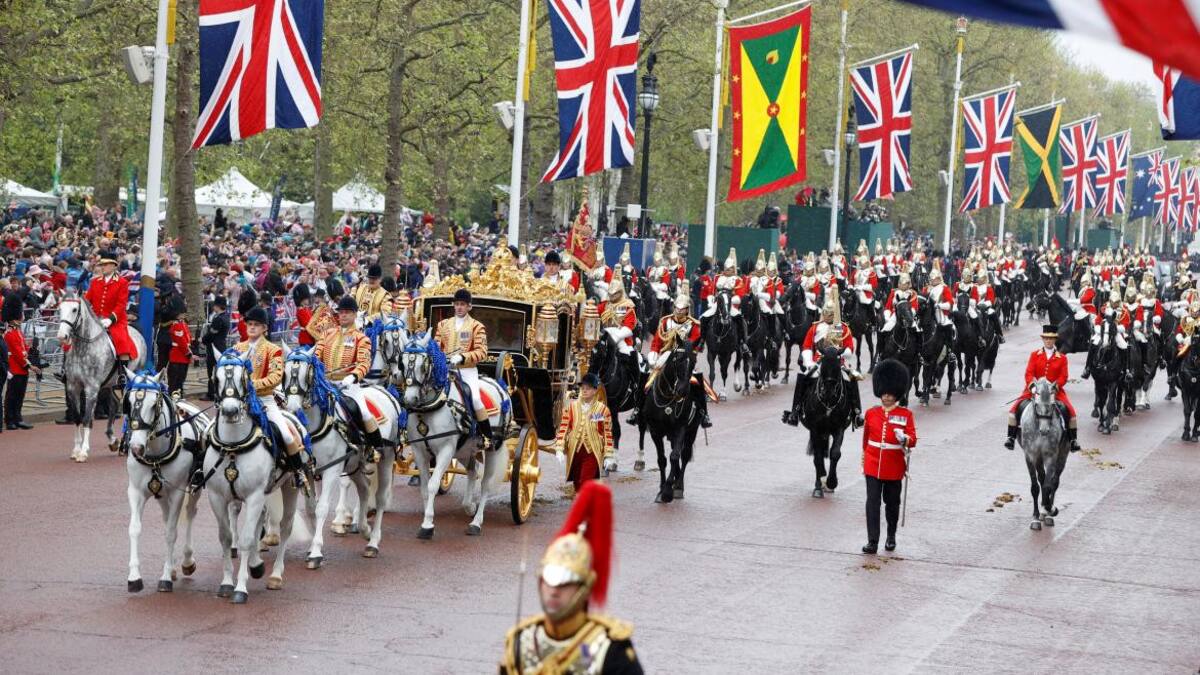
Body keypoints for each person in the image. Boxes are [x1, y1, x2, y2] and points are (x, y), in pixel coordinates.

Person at [500, 481, 643, 674]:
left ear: (584, 588)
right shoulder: (521, 643)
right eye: (548, 580)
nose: (554, 591)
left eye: (565, 584)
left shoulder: (610, 650)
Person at [206, 307, 311, 493]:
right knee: (208, 431)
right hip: (240, 402)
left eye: (256, 325)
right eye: (250, 324)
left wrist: (250, 385)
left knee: (286, 435)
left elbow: (276, 376)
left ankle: (297, 472)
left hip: (265, 401)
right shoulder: (237, 349)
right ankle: (201, 469)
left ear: (265, 328)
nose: (252, 328)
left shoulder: (274, 350)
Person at [314, 296, 387, 450]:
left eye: (347, 312)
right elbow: (316, 355)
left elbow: (364, 363)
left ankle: (374, 448)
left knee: (365, 414)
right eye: (341, 312)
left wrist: (353, 376)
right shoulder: (327, 334)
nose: (343, 315)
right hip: (326, 384)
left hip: (349, 386)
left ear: (354, 315)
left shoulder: (361, 338)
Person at [784, 285, 862, 427]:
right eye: (825, 313)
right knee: (803, 376)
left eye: (830, 314)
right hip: (818, 362)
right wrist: (809, 362)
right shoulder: (815, 327)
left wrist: (843, 353)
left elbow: (850, 347)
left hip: (838, 361)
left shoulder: (843, 328)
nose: (827, 316)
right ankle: (795, 411)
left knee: (851, 378)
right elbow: (807, 346)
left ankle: (857, 412)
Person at [862, 359, 916, 554]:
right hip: (872, 463)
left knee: (892, 503)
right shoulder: (871, 413)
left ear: (896, 394)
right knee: (872, 502)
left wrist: (905, 438)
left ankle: (891, 536)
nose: (886, 397)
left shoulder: (906, 414)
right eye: (884, 393)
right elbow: (866, 439)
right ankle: (872, 541)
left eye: (890, 393)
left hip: (893, 465)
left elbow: (913, 439)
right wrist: (865, 459)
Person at [1005, 324, 1081, 453]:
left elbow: (1064, 376)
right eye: (1046, 338)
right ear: (1043, 339)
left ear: (1055, 340)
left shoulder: (1062, 358)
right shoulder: (1035, 355)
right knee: (1013, 410)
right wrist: (1033, 387)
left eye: (1051, 339)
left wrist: (1055, 387)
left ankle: (1073, 440)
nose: (1048, 341)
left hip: (1054, 392)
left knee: (1071, 412)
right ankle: (1011, 438)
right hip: (1034, 391)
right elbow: (1029, 373)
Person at [434, 289, 494, 448]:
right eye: (457, 304)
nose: (459, 307)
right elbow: (435, 347)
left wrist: (462, 358)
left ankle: (487, 437)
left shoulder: (476, 326)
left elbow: (482, 352)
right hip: (445, 371)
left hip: (467, 371)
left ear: (469, 307)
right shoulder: (442, 325)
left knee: (475, 399)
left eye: (463, 305)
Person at [647, 281, 712, 428]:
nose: (678, 311)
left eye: (682, 309)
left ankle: (704, 414)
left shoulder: (694, 325)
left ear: (687, 309)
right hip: (664, 357)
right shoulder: (665, 321)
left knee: (697, 380)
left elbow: (693, 346)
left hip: (684, 358)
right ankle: (639, 411)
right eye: (677, 308)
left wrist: (688, 356)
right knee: (646, 379)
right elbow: (657, 341)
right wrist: (653, 354)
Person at [555, 373, 615, 490]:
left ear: (594, 390)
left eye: (588, 388)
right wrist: (559, 448)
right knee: (577, 483)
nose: (584, 391)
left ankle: (583, 506)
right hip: (575, 450)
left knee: (585, 482)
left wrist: (608, 455)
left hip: (592, 451)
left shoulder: (603, 410)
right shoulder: (571, 407)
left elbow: (607, 433)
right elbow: (563, 428)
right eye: (583, 388)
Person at [84, 257, 136, 387]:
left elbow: (121, 304)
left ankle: (122, 374)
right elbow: (87, 299)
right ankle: (66, 371)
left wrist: (110, 319)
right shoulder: (95, 281)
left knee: (122, 342)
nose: (103, 267)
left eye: (106, 265)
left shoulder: (122, 282)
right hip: (96, 319)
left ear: (114, 266)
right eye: (102, 265)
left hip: (115, 320)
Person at [201, 296, 229, 402]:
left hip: (214, 347)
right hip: (221, 346)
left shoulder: (218, 319)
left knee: (211, 371)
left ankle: (211, 393)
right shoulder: (226, 317)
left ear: (218, 306)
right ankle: (218, 391)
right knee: (219, 370)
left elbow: (211, 334)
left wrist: (202, 340)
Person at [166, 310, 192, 397]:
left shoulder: (182, 324)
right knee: (175, 380)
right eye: (182, 313)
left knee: (181, 379)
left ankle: (179, 394)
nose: (184, 315)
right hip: (178, 355)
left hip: (183, 355)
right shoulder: (176, 325)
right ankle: (174, 396)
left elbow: (187, 337)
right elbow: (180, 340)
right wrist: (187, 352)